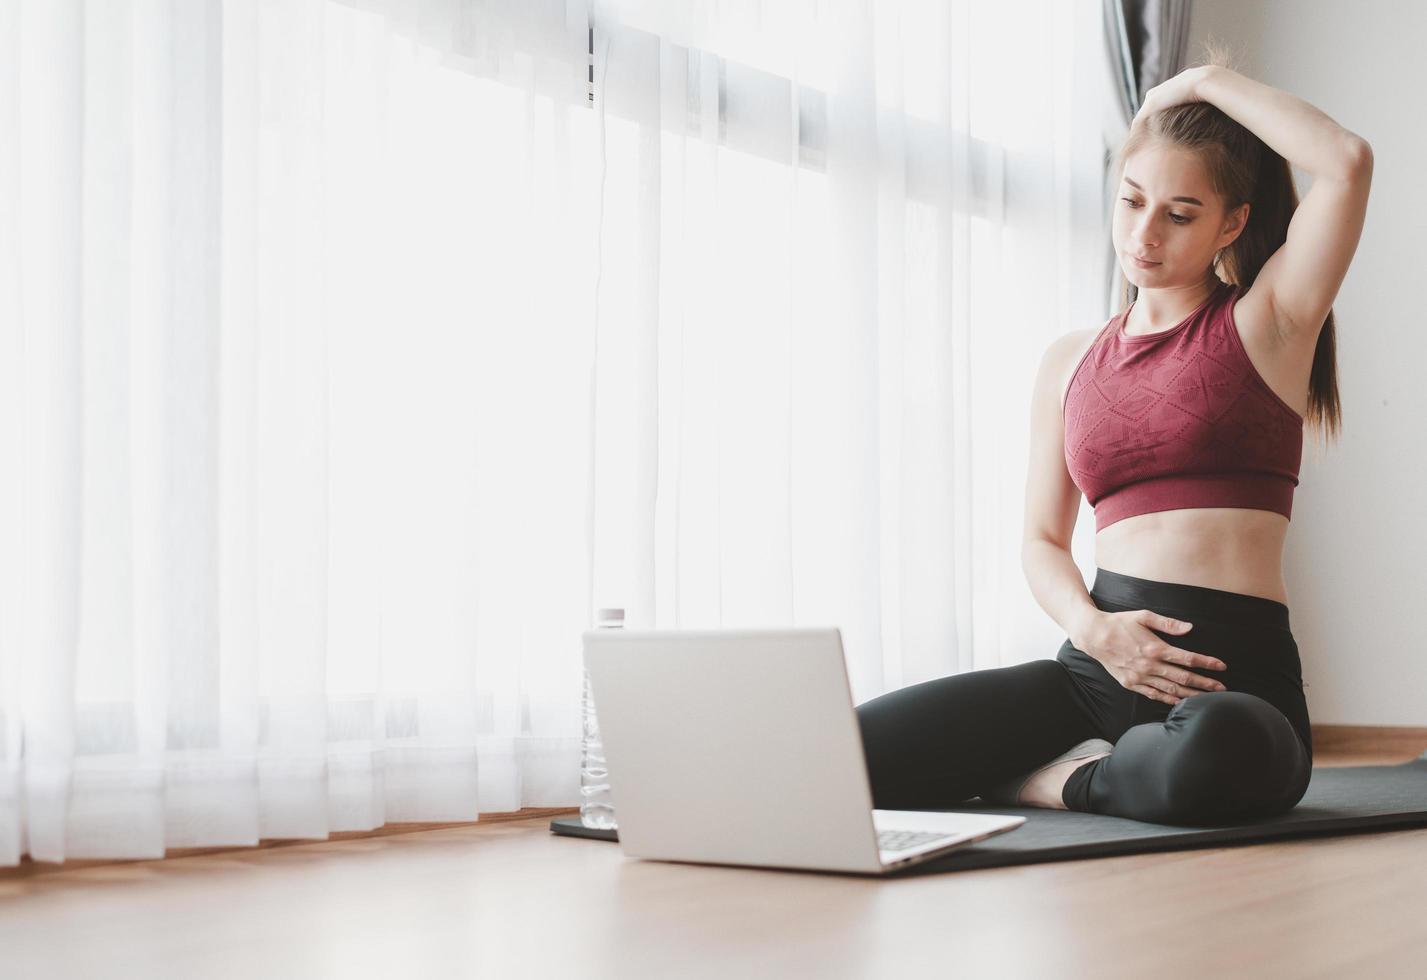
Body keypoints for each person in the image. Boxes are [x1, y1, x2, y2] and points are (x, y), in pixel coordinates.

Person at [855, 53, 1372, 827]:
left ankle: (1045, 783)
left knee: (1213, 754)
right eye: (1131, 201)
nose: (1144, 233)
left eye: (1179, 213)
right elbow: (1039, 540)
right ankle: (1105, 769)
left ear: (1230, 222)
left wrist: (1196, 82)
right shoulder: (1067, 362)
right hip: (1091, 673)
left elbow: (1345, 162)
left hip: (1231, 686)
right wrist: (1093, 630)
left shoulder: (1265, 323)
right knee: (849, 755)